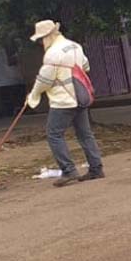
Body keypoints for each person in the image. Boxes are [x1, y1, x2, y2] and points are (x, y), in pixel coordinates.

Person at [26, 20, 105, 188]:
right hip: (80, 96)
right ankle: (96, 168)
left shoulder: (52, 53)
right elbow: (86, 65)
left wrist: (33, 95)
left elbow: (45, 80)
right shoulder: (75, 46)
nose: (41, 43)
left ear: (47, 36)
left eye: (41, 39)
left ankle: (69, 170)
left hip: (62, 100)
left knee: (54, 134)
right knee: (85, 134)